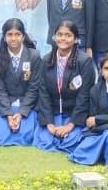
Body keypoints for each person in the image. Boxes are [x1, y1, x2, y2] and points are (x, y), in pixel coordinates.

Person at [34, 21, 95, 153]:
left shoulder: (84, 61)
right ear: (54, 37)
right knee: (46, 141)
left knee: (70, 141)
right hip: (53, 114)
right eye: (59, 34)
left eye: (68, 35)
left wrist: (70, 125)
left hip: (74, 115)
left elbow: (84, 96)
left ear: (75, 39)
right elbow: (43, 93)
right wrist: (49, 123)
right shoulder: (46, 60)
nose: (63, 38)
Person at [0, 19, 43, 146]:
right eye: (10, 34)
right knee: (1, 135)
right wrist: (8, 114)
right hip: (6, 103)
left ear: (23, 36)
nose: (14, 38)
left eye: (17, 34)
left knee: (26, 135)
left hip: (27, 104)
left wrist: (21, 113)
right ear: (4, 37)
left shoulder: (34, 56)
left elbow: (33, 88)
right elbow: (0, 89)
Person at [68, 52, 108, 165]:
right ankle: (102, 151)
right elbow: (91, 123)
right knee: (83, 144)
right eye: (106, 68)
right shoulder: (95, 90)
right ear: (101, 71)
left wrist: (98, 119)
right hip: (100, 130)